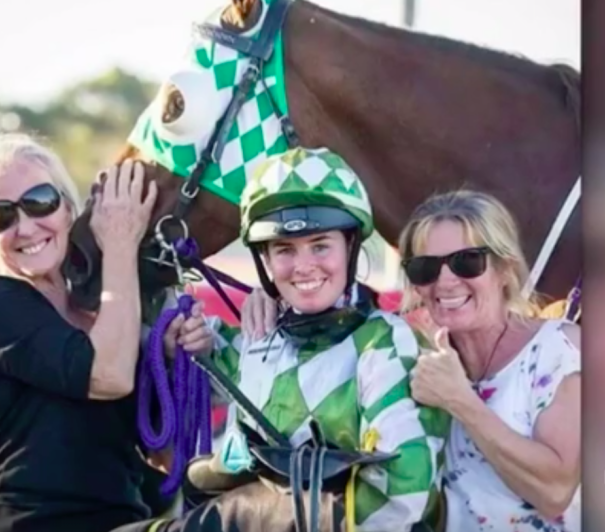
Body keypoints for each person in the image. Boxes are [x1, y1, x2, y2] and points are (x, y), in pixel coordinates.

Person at [161, 147, 448, 532]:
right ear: (265, 260)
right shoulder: (258, 339)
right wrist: (178, 338)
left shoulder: (388, 345)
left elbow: (402, 501)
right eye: (284, 249)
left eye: (320, 246)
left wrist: (242, 518)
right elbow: (200, 351)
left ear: (350, 247)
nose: (303, 266)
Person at [0, 132, 163, 532]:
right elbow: (108, 375)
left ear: (68, 208)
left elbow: (164, 454)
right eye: (0, 216)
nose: (26, 228)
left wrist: (167, 352)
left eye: (40, 202)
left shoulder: (104, 309)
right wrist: (120, 244)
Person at [400, 190, 581, 532]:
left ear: (504, 269)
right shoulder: (416, 362)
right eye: (425, 268)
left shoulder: (558, 349)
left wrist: (460, 400)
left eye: (466, 261)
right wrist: (267, 295)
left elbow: (555, 491)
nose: (446, 281)